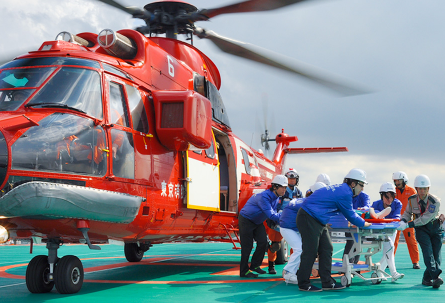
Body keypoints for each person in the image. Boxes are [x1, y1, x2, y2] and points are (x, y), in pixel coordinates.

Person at [296, 168, 372, 292]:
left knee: (327, 248)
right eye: (361, 185)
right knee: (310, 251)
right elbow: (350, 214)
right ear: (353, 184)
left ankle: (327, 282)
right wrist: (364, 223)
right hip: (308, 217)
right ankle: (303, 283)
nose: (362, 188)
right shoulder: (345, 193)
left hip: (316, 218)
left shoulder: (343, 189)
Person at [398, 175, 443, 288]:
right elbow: (408, 213)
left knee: (436, 257)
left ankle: (426, 278)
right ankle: (435, 277)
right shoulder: (412, 200)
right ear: (416, 188)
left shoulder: (435, 201)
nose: (422, 191)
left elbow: (426, 218)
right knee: (428, 253)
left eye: (425, 188)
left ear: (428, 189)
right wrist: (403, 220)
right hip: (421, 230)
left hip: (434, 227)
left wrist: (409, 224)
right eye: (420, 188)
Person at [238, 175, 287, 278]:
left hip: (257, 221)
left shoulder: (276, 197)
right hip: (246, 220)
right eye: (282, 187)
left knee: (263, 243)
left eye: (285, 187)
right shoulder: (264, 197)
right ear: (275, 187)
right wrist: (288, 215)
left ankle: (255, 265)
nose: (284, 189)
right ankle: (244, 271)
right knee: (247, 247)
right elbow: (272, 215)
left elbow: (273, 213)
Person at [280, 182, 327, 285]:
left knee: (302, 248)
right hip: (289, 228)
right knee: (299, 249)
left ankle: (295, 270)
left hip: (291, 227)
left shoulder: (305, 201)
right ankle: (288, 272)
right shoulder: (310, 204)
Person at [266, 168, 303, 275]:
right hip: (278, 222)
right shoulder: (281, 191)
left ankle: (293, 266)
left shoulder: (298, 192)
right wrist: (273, 219)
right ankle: (271, 265)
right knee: (275, 246)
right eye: (290, 179)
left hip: (293, 223)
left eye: (294, 179)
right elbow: (273, 206)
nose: (292, 181)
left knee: (296, 246)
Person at [370, 182, 404, 280]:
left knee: (389, 249)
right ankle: (393, 273)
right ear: (382, 195)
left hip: (391, 230)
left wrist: (382, 219)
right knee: (390, 248)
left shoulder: (397, 203)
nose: (389, 199)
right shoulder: (376, 204)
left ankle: (379, 271)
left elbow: (397, 217)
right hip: (379, 231)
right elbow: (372, 218)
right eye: (386, 196)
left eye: (391, 196)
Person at [392, 171, 420, 269]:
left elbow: (416, 205)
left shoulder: (412, 191)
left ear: (404, 180)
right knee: (393, 241)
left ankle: (415, 262)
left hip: (407, 220)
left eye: (398, 180)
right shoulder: (393, 191)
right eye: (395, 181)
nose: (396, 183)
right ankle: (389, 261)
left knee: (411, 241)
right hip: (395, 220)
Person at [343, 189, 371, 263]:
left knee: (358, 244)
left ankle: (354, 264)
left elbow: (367, 205)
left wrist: (363, 209)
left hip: (360, 223)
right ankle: (346, 264)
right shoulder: (347, 195)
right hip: (350, 224)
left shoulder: (364, 196)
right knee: (350, 242)